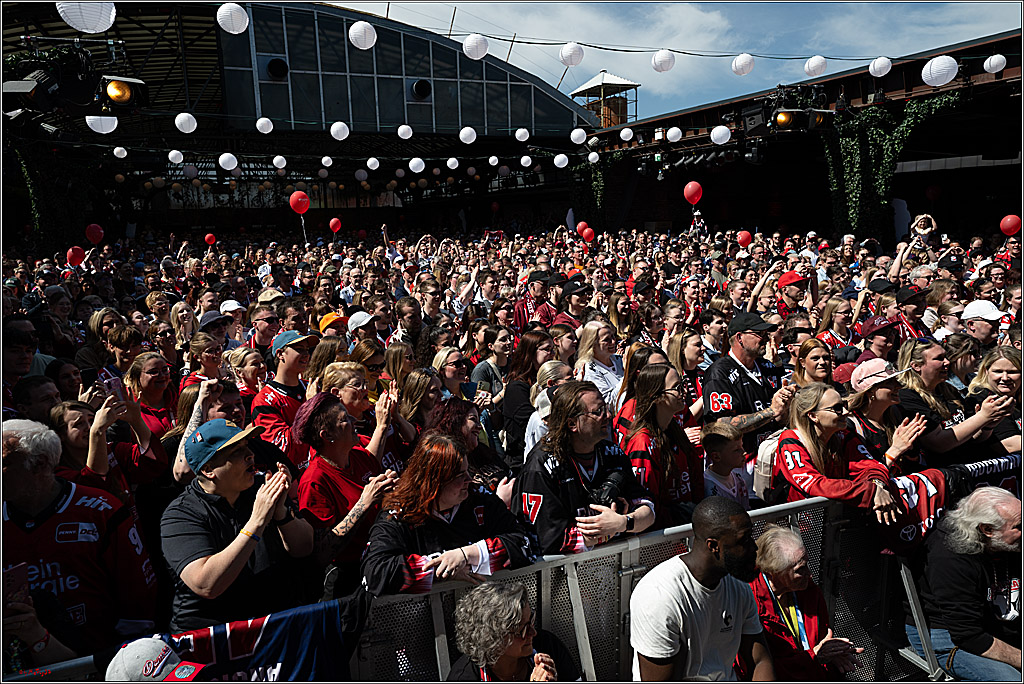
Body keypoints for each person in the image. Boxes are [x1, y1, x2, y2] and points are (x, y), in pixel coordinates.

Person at [2, 419, 157, 653]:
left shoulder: (102, 509)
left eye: (4, 463)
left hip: (101, 658)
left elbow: (138, 596)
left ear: (39, 464)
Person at [160, 419, 313, 631]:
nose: (250, 454)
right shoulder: (180, 515)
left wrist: (281, 513)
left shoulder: (261, 488)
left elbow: (304, 548)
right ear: (208, 469)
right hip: (215, 637)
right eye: (236, 451)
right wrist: (257, 521)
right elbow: (206, 584)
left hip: (272, 624)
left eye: (247, 446)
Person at [361, 434, 535, 596]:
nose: (469, 479)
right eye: (460, 475)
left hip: (485, 607)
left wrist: (469, 554)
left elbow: (524, 542)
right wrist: (441, 569)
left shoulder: (480, 499)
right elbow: (374, 573)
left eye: (468, 471)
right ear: (434, 481)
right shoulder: (398, 514)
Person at [629, 496, 775, 681]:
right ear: (714, 546)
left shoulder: (738, 587)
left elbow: (760, 661)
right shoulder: (659, 597)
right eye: (744, 540)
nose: (754, 547)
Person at [514, 381, 655, 554]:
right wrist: (609, 530)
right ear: (572, 423)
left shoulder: (613, 453)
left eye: (606, 408)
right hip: (563, 574)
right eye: (598, 412)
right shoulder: (540, 466)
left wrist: (623, 523)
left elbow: (648, 511)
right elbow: (549, 540)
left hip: (615, 566)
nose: (608, 415)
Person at [906, 487, 1021, 681]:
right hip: (948, 635)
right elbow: (969, 636)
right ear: (987, 530)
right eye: (1018, 526)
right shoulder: (950, 559)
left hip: (992, 618)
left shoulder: (1005, 542)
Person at [292, 392, 398, 599]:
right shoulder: (314, 480)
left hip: (382, 561)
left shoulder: (360, 456)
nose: (354, 421)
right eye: (344, 419)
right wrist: (363, 503)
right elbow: (322, 554)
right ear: (326, 435)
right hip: (349, 582)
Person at [746, 526, 862, 680]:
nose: (809, 573)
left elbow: (819, 641)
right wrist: (815, 656)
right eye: (800, 569)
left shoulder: (807, 589)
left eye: (807, 564)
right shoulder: (750, 605)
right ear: (773, 573)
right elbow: (761, 670)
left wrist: (833, 652)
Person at [702, 312, 794, 493]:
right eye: (759, 334)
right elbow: (722, 425)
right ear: (740, 338)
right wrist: (771, 412)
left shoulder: (768, 367)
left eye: (767, 334)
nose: (766, 339)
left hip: (774, 459)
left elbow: (781, 417)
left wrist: (787, 406)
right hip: (742, 468)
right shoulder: (719, 373)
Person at [893, 338, 1013, 467]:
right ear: (916, 365)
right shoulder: (906, 397)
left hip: (969, 469)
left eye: (946, 356)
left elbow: (973, 438)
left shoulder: (948, 390)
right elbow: (938, 443)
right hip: (943, 475)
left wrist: (987, 425)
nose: (947, 362)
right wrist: (983, 417)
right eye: (939, 358)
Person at [621, 364, 704, 527]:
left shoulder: (674, 428)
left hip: (684, 526)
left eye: (682, 385)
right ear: (656, 396)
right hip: (662, 535)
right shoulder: (642, 442)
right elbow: (645, 503)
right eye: (676, 388)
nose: (683, 392)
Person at [448, 582, 578, 682]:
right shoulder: (464, 677)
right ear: (492, 640)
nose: (533, 633)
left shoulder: (547, 645)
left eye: (531, 621)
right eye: (523, 630)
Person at [845, 359, 927, 473]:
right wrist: (895, 450)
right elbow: (869, 477)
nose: (898, 386)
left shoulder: (897, 414)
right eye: (889, 382)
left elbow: (920, 464)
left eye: (896, 380)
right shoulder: (852, 426)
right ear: (870, 391)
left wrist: (911, 451)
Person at [250, 330, 315, 467]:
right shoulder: (264, 399)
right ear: (280, 354)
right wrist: (310, 408)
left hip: (318, 469)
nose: (305, 355)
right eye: (298, 349)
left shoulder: (311, 387)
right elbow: (282, 448)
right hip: (290, 477)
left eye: (307, 350)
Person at [502, 331, 556, 471]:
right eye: (546, 349)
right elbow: (534, 422)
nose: (551, 354)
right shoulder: (517, 387)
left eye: (552, 349)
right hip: (523, 462)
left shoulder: (544, 382)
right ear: (530, 352)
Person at [964, 347, 1022, 455]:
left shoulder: (1017, 394)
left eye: (1012, 372)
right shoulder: (981, 397)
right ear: (986, 371)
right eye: (998, 371)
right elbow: (1008, 443)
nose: (1005, 378)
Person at [701, 421, 749, 509]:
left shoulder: (739, 480)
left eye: (742, 446)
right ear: (716, 457)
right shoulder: (708, 488)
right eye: (736, 450)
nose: (744, 452)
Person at [575, 321, 624, 409]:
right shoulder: (590, 370)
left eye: (613, 336)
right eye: (606, 340)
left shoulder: (619, 360)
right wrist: (628, 375)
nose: (613, 342)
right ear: (592, 344)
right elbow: (607, 403)